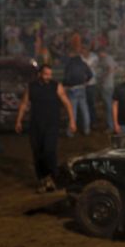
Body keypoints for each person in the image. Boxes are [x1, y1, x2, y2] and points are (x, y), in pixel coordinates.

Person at [15, 65, 76, 193]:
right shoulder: (31, 87)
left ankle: (54, 178)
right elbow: (24, 104)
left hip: (51, 125)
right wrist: (18, 120)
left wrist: (72, 121)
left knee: (49, 151)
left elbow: (67, 103)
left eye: (50, 74)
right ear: (39, 74)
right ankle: (43, 180)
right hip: (35, 126)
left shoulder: (56, 86)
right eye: (46, 74)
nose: (49, 76)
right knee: (37, 153)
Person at [63, 50, 93, 136]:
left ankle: (70, 132)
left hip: (73, 89)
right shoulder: (83, 63)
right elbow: (90, 75)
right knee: (84, 110)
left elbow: (67, 78)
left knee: (72, 111)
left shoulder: (70, 64)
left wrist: (66, 85)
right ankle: (87, 130)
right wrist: (85, 82)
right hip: (82, 88)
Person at [97, 47, 117, 130]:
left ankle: (111, 125)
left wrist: (103, 77)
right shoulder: (110, 58)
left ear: (102, 52)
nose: (99, 55)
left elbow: (110, 69)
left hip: (106, 85)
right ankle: (112, 123)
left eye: (99, 53)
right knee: (110, 105)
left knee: (108, 106)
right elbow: (116, 67)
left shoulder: (106, 59)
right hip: (110, 84)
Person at [80, 46, 100, 128]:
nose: (83, 51)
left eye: (85, 49)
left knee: (91, 104)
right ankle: (85, 123)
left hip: (92, 83)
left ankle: (93, 122)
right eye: (82, 49)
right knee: (83, 105)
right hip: (83, 84)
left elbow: (93, 66)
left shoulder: (94, 57)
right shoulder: (80, 57)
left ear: (88, 50)